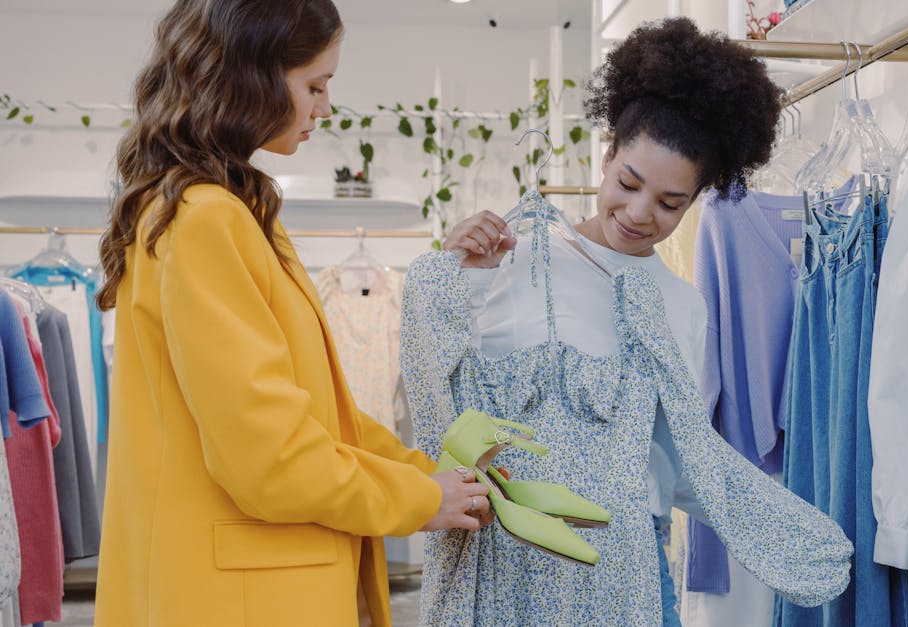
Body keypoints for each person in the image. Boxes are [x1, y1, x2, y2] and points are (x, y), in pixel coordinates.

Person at [92, 1, 489, 625]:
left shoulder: (225, 212)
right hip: (236, 599)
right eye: (314, 85)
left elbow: (316, 413)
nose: (324, 108)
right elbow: (269, 457)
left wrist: (432, 473)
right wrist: (419, 495)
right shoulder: (207, 220)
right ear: (250, 76)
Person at [442, 17, 782, 625]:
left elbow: (679, 461)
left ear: (697, 199)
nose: (639, 213)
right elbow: (448, 381)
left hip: (631, 560)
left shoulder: (684, 307)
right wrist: (460, 272)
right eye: (628, 182)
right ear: (607, 156)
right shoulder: (520, 259)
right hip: (513, 557)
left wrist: (769, 515)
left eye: (670, 203)